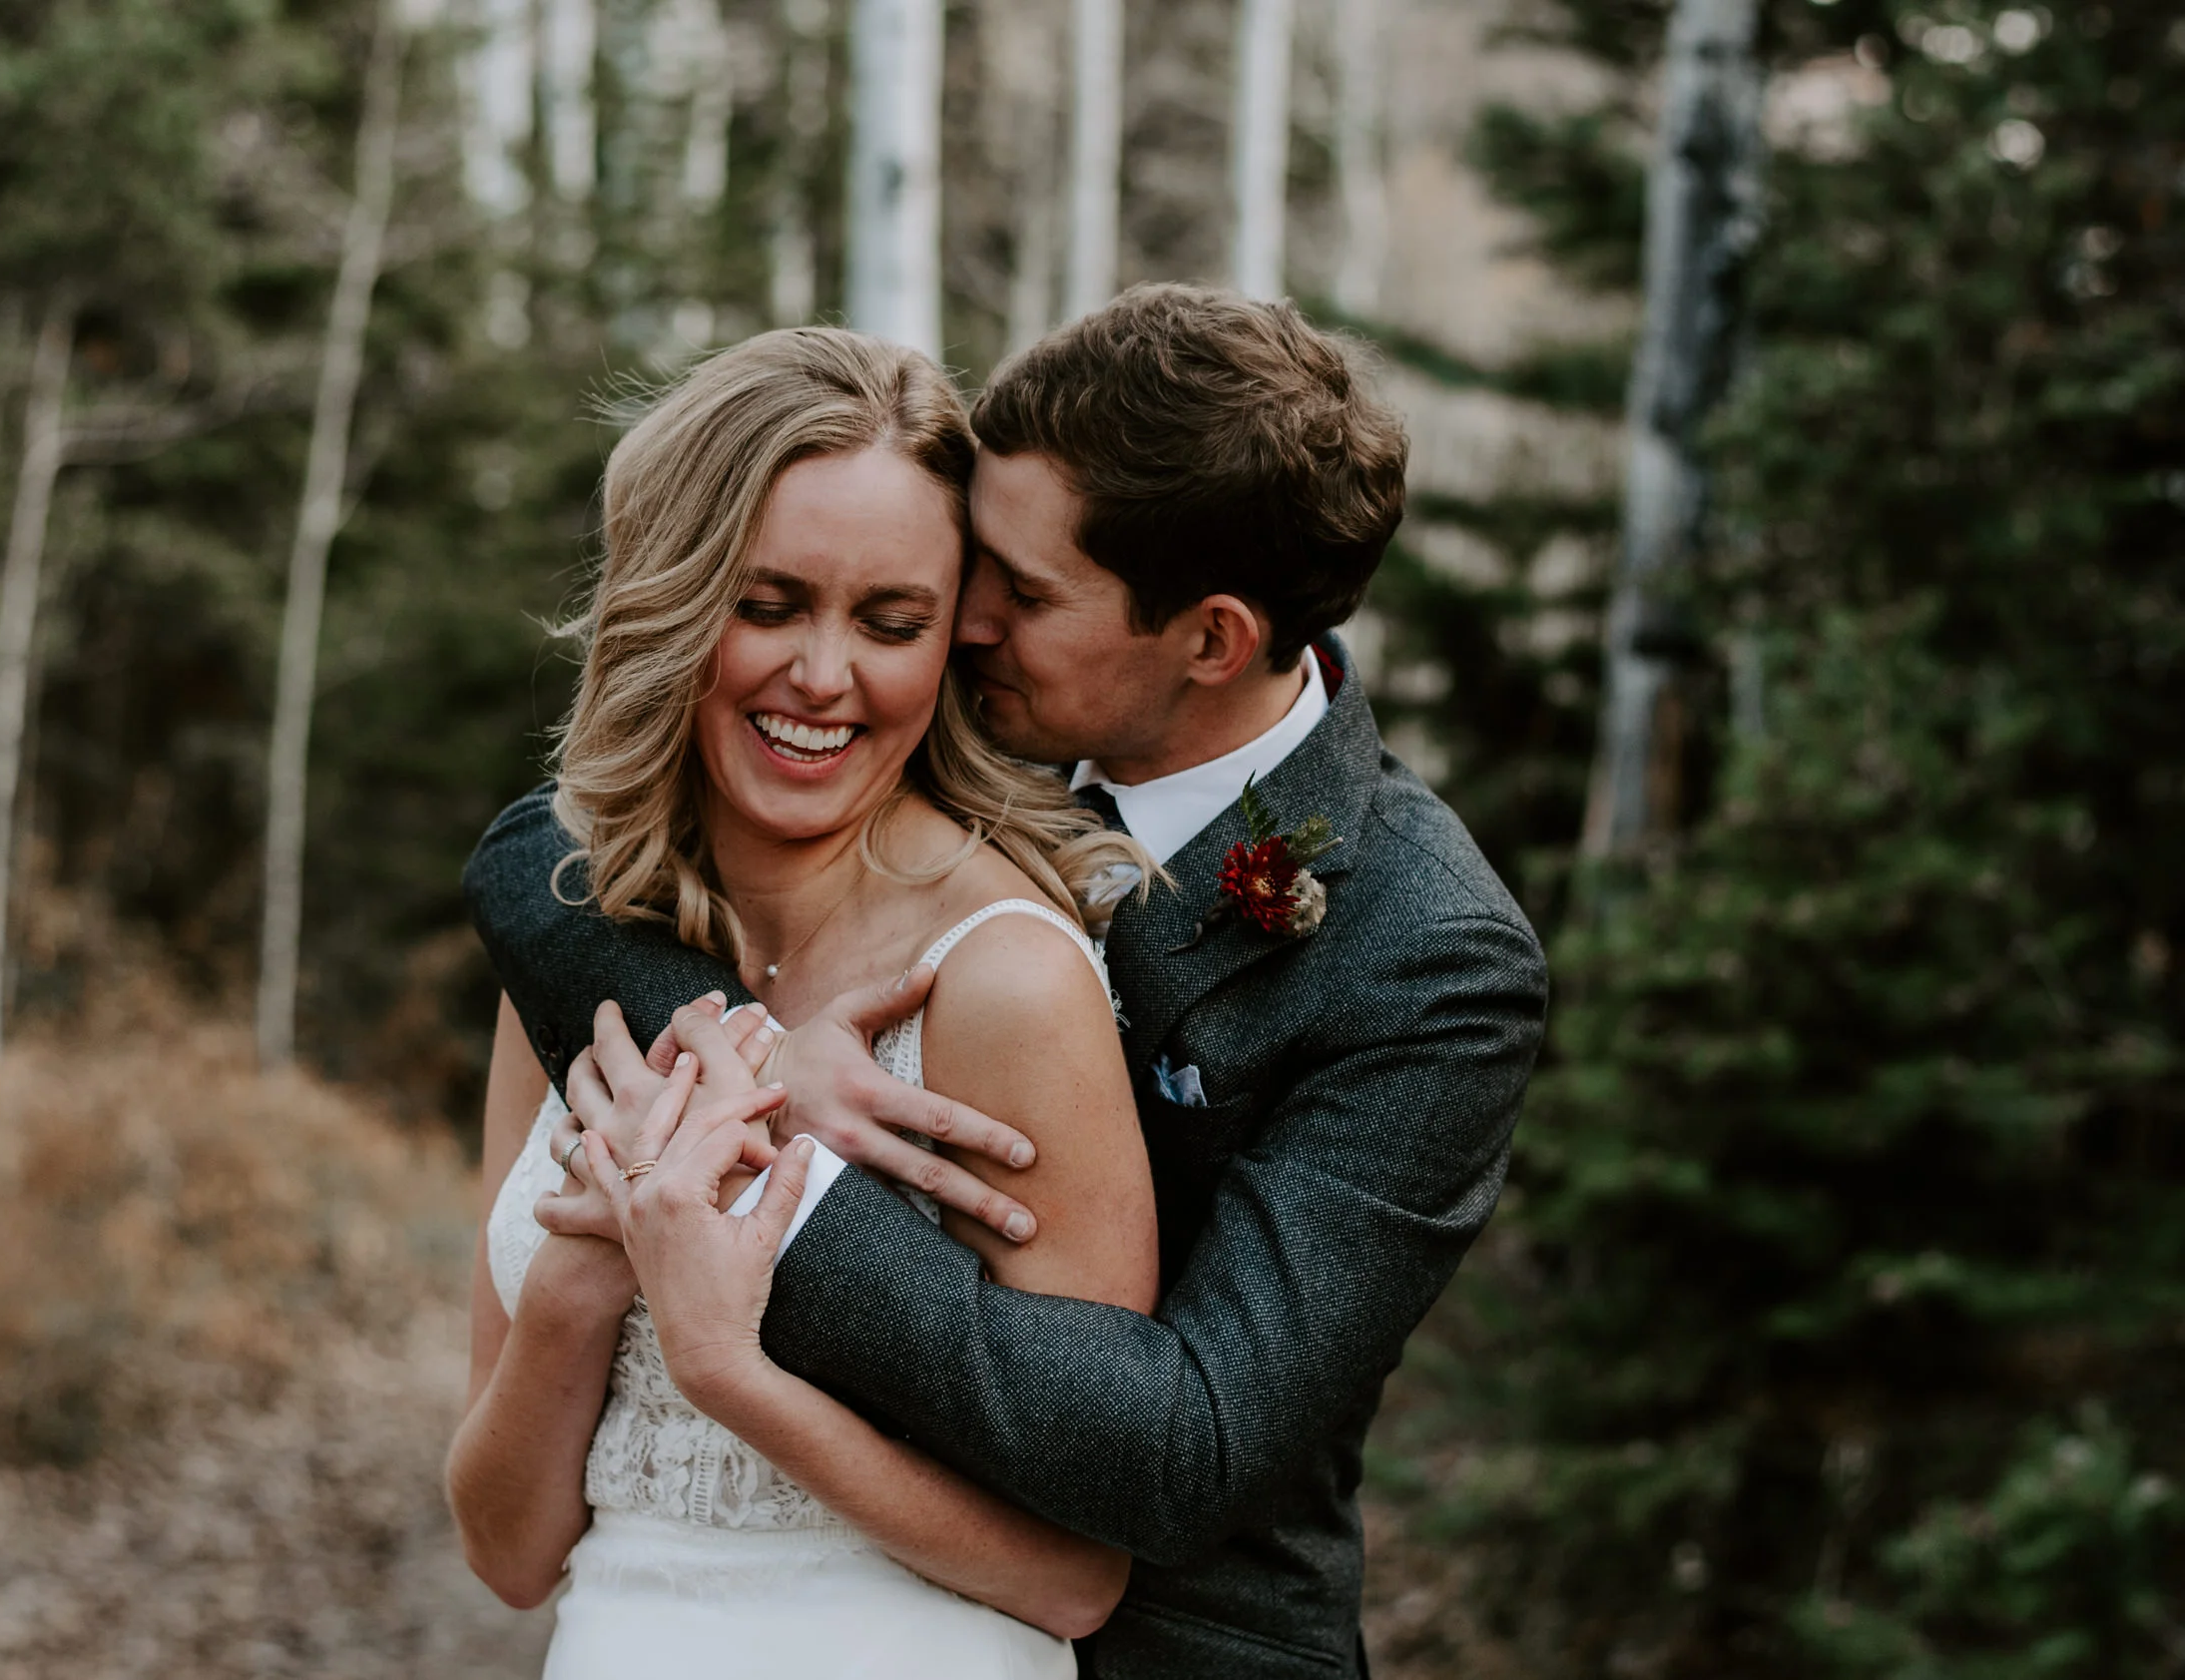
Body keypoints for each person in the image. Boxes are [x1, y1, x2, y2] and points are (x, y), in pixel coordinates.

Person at [475, 284, 1550, 1679]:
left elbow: (1183, 1448)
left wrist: (758, 1163)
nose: (966, 621)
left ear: (1211, 640)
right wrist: (751, 1047)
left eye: (1022, 592)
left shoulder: (1427, 959)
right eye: (969, 567)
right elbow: (552, 847)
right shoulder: (939, 726)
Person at [444, 325, 1168, 1680]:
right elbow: (508, 1553)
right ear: (671, 598)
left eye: (891, 624)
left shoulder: (1001, 981)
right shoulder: (581, 944)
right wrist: (581, 1283)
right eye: (768, 605)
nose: (826, 678)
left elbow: (1075, 1574)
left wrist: (728, 1368)